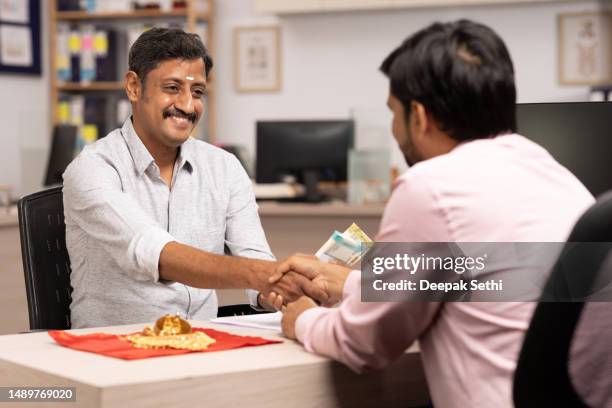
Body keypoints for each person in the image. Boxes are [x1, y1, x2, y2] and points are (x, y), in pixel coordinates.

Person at [271, 20, 595, 407]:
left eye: (394, 112)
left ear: (419, 117)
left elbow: (363, 343)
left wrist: (302, 319)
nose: (394, 127)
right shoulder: (556, 175)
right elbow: (486, 285)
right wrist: (350, 283)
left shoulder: (431, 186)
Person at [63, 28, 325, 328]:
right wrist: (265, 275)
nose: (188, 105)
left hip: (201, 345)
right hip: (111, 353)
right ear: (134, 87)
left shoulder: (224, 168)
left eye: (197, 92)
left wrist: (284, 290)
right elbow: (155, 253)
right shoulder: (92, 169)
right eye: (173, 88)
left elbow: (257, 263)